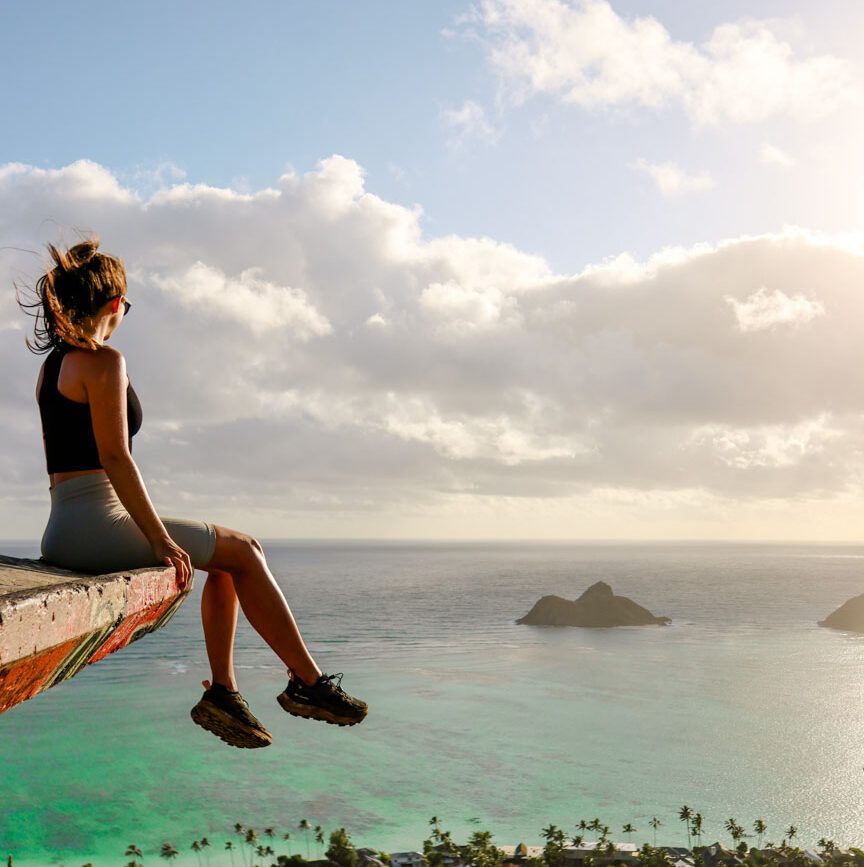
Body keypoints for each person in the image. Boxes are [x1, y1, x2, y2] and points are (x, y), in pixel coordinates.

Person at [17, 237, 367, 749]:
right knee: (247, 551)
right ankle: (308, 685)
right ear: (115, 304)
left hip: (66, 527)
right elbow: (116, 457)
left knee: (228, 559)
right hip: (95, 526)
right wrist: (159, 540)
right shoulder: (105, 361)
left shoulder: (52, 368)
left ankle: (224, 693)